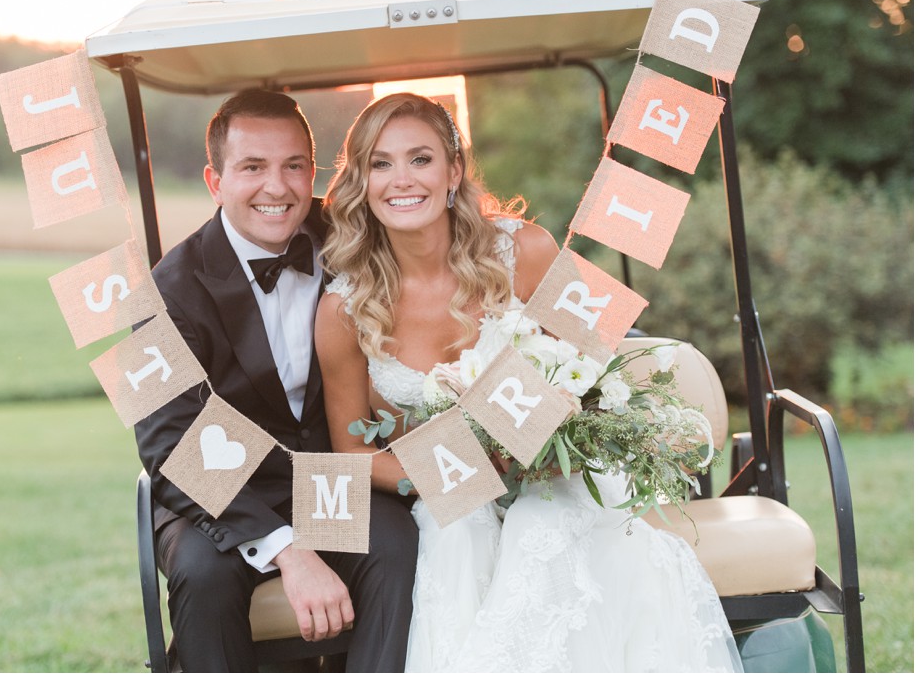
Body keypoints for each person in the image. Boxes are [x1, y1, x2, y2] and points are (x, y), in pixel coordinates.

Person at [315, 92, 743, 672]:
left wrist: (552, 435)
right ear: (361, 181)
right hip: (449, 490)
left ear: (454, 171)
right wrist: (463, 474)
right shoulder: (343, 309)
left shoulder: (525, 251)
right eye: (380, 163)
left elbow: (590, 367)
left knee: (540, 522)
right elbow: (352, 453)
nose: (401, 180)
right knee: (459, 535)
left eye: (420, 159)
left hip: (556, 473)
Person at [135, 89, 418, 672]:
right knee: (203, 572)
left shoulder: (352, 236)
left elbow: (438, 226)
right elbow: (168, 442)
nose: (277, 187)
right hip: (216, 493)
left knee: (395, 545)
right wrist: (288, 548)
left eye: (293, 166)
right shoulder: (160, 292)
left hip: (326, 479)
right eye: (253, 167)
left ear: (313, 172)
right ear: (216, 181)